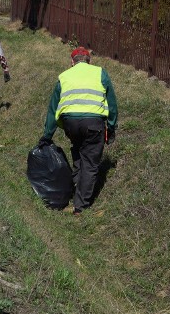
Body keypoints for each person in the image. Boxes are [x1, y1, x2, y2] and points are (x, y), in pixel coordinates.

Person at [39, 47, 118, 215]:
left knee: (78, 151)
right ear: (90, 61)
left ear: (72, 62)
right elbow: (112, 104)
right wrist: (110, 128)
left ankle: (76, 185)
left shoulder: (64, 76)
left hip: (70, 124)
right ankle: (80, 206)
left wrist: (47, 135)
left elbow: (53, 109)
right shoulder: (100, 73)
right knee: (90, 164)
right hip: (94, 123)